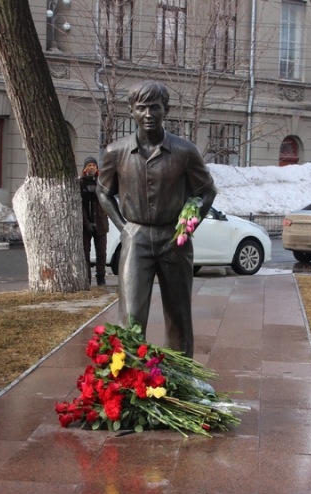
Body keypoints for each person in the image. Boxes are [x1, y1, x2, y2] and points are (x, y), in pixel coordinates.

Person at [96, 80, 217, 360]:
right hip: (136, 238)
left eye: (155, 107)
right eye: (141, 108)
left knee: (178, 314)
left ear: (166, 110)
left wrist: (188, 226)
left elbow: (207, 192)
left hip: (174, 240)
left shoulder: (185, 152)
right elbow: (103, 192)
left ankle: (180, 372)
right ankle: (130, 375)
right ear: (131, 111)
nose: (148, 114)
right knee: (131, 315)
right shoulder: (116, 152)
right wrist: (124, 228)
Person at [79, 156, 109, 286]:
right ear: (85, 168)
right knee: (85, 253)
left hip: (101, 222)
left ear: (97, 168)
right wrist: (86, 223)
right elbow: (79, 205)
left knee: (101, 253)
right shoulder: (81, 182)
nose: (91, 167)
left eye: (93, 165)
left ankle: (101, 278)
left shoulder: (102, 181)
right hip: (86, 223)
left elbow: (108, 198)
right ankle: (87, 278)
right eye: (89, 165)